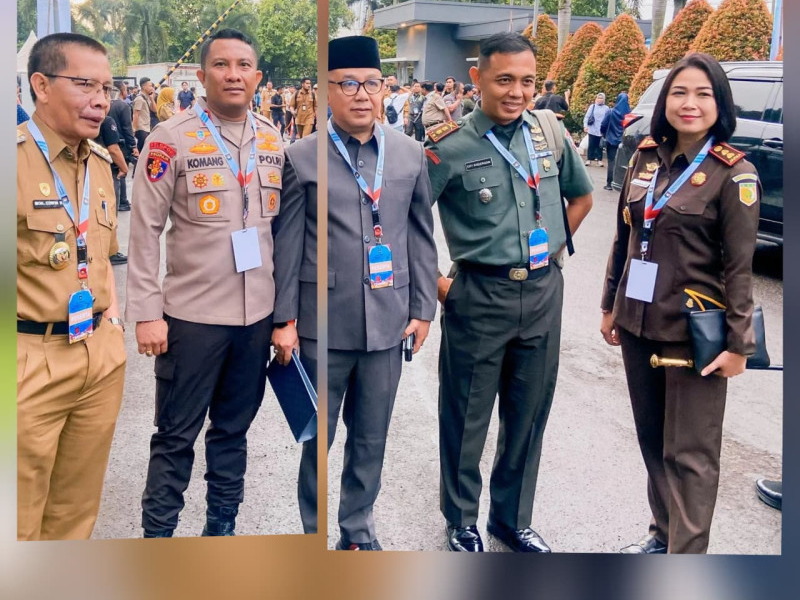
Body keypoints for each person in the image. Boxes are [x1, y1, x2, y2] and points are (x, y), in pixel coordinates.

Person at [425, 32, 593, 553]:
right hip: (478, 295)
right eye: (504, 80)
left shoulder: (549, 133)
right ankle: (461, 520)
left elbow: (582, 198)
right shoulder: (449, 147)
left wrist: (548, 251)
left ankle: (511, 519)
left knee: (528, 412)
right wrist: (439, 286)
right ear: (477, 80)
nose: (517, 92)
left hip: (543, 293)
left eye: (527, 81)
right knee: (467, 414)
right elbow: (406, 225)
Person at [272, 35, 437, 551]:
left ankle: (358, 530)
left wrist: (423, 308)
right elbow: (288, 246)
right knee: (317, 439)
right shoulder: (301, 156)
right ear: (326, 90)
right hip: (323, 325)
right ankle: (313, 533)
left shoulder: (409, 155)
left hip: (389, 324)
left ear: (384, 87)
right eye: (347, 84)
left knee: (371, 438)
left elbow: (420, 236)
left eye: (371, 82)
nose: (361, 94)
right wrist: (284, 320)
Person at [600, 52, 761, 555]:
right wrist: (610, 304)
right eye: (679, 93)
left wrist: (739, 345)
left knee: (690, 455)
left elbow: (739, 268)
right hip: (638, 320)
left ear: (720, 105)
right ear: (664, 100)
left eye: (703, 94)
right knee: (653, 442)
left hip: (696, 335)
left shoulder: (733, 174)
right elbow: (625, 237)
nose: (689, 104)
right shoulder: (645, 158)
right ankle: (662, 534)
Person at [126, 28, 283, 538]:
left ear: (257, 77)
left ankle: (221, 532)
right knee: (175, 437)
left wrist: (286, 318)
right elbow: (145, 231)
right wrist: (148, 312)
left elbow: (283, 231)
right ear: (202, 74)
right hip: (191, 320)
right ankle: (158, 540)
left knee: (233, 434)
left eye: (243, 66)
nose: (233, 75)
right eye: (221, 65)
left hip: (255, 318)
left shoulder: (272, 139)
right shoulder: (168, 139)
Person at [17, 32, 126, 540]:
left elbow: (99, 258)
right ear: (40, 85)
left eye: (105, 86)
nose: (100, 99)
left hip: (97, 357)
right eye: (84, 84)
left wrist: (114, 325)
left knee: (75, 514)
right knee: (19, 518)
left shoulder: (101, 165)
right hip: (27, 360)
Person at [96, 113, 129, 266]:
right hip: (108, 169)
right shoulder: (106, 120)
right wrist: (124, 167)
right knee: (110, 211)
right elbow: (114, 149)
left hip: (91, 168)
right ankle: (111, 251)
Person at [109, 81, 137, 211]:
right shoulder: (123, 106)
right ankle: (122, 201)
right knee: (121, 171)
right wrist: (133, 146)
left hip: (105, 144)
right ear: (121, 91)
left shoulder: (107, 105)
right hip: (120, 144)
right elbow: (127, 128)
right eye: (125, 89)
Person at [599, 92, 630, 189]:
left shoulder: (611, 112)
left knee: (611, 161)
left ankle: (609, 183)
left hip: (611, 140)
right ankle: (622, 184)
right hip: (625, 141)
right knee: (625, 163)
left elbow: (603, 125)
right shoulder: (630, 113)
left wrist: (603, 134)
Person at [583, 92, 610, 168]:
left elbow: (608, 120)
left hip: (601, 130)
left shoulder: (606, 108)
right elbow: (587, 116)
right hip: (592, 128)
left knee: (600, 145)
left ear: (604, 99)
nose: (600, 100)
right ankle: (589, 159)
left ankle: (599, 160)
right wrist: (585, 126)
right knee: (591, 144)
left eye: (601, 98)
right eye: (598, 98)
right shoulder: (592, 106)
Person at [132, 76, 155, 155]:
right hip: (141, 129)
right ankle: (137, 167)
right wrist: (134, 130)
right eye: (150, 86)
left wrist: (152, 98)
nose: (152, 88)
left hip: (147, 128)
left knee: (144, 153)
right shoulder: (139, 99)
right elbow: (135, 114)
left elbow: (154, 110)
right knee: (142, 153)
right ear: (144, 87)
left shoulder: (146, 98)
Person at [290, 77, 316, 142]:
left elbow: (316, 107)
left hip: (309, 118)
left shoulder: (313, 94)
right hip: (299, 119)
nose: (309, 85)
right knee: (301, 138)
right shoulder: (296, 94)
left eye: (309, 83)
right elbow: (291, 106)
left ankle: (306, 151)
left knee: (305, 137)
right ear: (302, 84)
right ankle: (303, 150)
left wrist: (317, 121)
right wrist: (293, 112)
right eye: (307, 83)